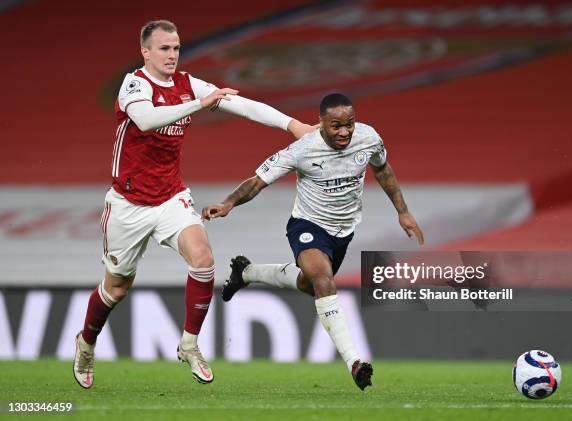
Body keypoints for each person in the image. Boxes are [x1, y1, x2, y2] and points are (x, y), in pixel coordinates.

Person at [72, 19, 315, 389]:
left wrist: (292, 125)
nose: (172, 55)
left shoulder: (188, 85)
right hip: (128, 204)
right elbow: (146, 119)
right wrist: (199, 104)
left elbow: (241, 105)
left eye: (176, 48)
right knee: (117, 288)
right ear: (146, 52)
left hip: (171, 197)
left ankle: (189, 343)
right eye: (164, 48)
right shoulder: (134, 83)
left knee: (203, 260)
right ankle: (86, 344)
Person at [203, 93, 424, 391]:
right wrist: (228, 203)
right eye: (336, 126)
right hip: (307, 225)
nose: (345, 132)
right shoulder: (302, 150)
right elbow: (258, 180)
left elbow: (382, 169)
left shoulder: (369, 138)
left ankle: (246, 272)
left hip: (344, 232)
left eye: (349, 124)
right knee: (323, 281)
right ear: (320, 123)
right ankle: (355, 362)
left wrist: (403, 211)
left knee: (311, 285)